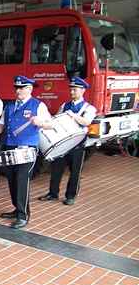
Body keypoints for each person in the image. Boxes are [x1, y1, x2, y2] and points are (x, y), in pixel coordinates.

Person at [0, 76, 53, 229]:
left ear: (29, 89)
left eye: (22, 88)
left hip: (27, 148)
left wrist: (39, 122)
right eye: (17, 88)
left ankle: (23, 215)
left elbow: (50, 124)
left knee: (21, 179)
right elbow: (0, 126)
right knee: (12, 179)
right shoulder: (9, 107)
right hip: (9, 147)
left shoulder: (38, 105)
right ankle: (17, 208)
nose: (18, 90)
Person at [38, 77, 96, 205]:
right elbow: (56, 120)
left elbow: (86, 122)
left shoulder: (89, 108)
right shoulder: (65, 105)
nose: (72, 92)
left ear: (83, 91)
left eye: (75, 90)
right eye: (71, 90)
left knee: (75, 171)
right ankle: (53, 193)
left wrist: (73, 116)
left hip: (77, 144)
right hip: (62, 142)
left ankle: (70, 196)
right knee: (56, 169)